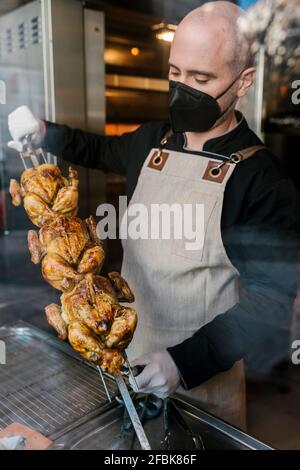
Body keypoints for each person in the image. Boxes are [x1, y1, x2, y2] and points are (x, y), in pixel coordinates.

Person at [7, 1, 298, 429]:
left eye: (200, 79)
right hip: (127, 357)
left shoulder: (261, 179)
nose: (183, 90)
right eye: (175, 74)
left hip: (202, 385)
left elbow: (271, 301)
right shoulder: (154, 141)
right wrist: (43, 131)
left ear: (244, 81)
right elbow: (97, 150)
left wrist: (183, 361)